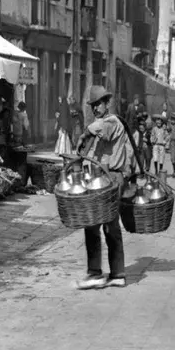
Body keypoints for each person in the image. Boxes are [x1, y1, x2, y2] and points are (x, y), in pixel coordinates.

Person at [74, 86, 134, 290]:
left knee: (98, 224)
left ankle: (96, 274)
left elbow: (99, 129)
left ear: (107, 103)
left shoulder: (111, 122)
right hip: (100, 177)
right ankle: (116, 273)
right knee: (108, 224)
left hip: (111, 178)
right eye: (93, 105)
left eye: (98, 104)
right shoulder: (101, 123)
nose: (95, 108)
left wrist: (83, 135)